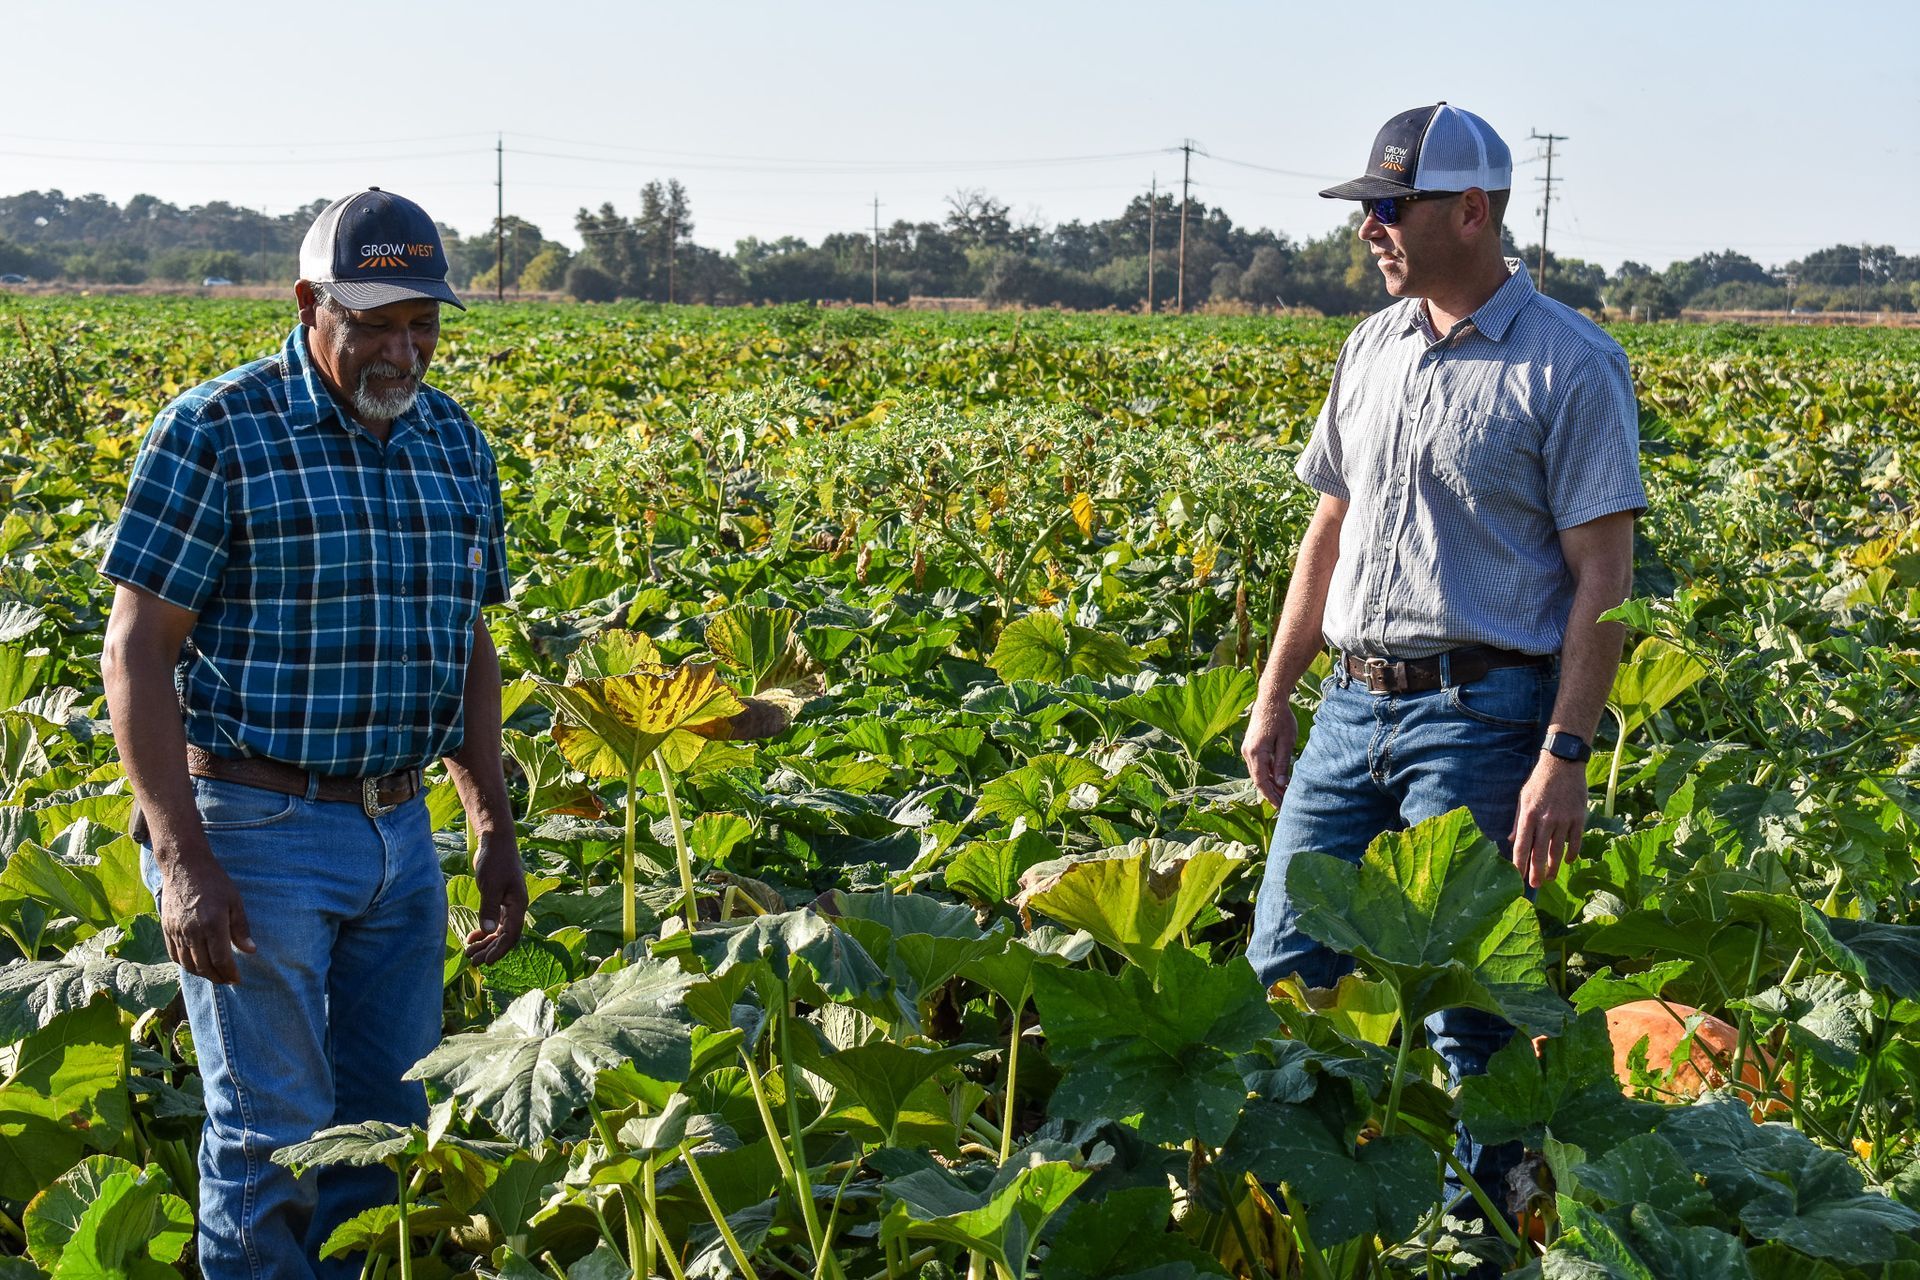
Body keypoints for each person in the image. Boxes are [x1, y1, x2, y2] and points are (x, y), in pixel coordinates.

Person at [100, 188, 527, 1280]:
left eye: (422, 323)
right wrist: (183, 855)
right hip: (255, 828)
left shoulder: (453, 441)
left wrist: (488, 818)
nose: (403, 349)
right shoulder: (217, 430)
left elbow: (466, 636)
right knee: (274, 1135)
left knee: (381, 1132)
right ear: (308, 302)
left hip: (399, 830)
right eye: (375, 322)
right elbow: (137, 652)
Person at [1239, 105, 1644, 1230]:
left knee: (1473, 1007)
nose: (1369, 227)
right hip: (1346, 706)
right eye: (1365, 207)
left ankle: (1488, 1231)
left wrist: (1565, 751)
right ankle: (1313, 1216)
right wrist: (1275, 692)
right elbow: (1328, 531)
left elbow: (1602, 577)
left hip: (1482, 711)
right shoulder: (1370, 348)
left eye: (1389, 206)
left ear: (1471, 210)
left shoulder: (1570, 364)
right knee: (1284, 963)